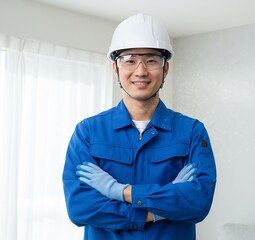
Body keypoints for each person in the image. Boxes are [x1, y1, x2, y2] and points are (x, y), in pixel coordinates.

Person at [62, 14, 217, 240]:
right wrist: (156, 212)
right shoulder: (88, 132)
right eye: (130, 59)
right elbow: (80, 208)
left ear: (165, 69)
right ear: (115, 68)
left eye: (152, 60)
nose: (141, 71)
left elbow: (198, 203)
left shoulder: (192, 132)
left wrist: (120, 191)